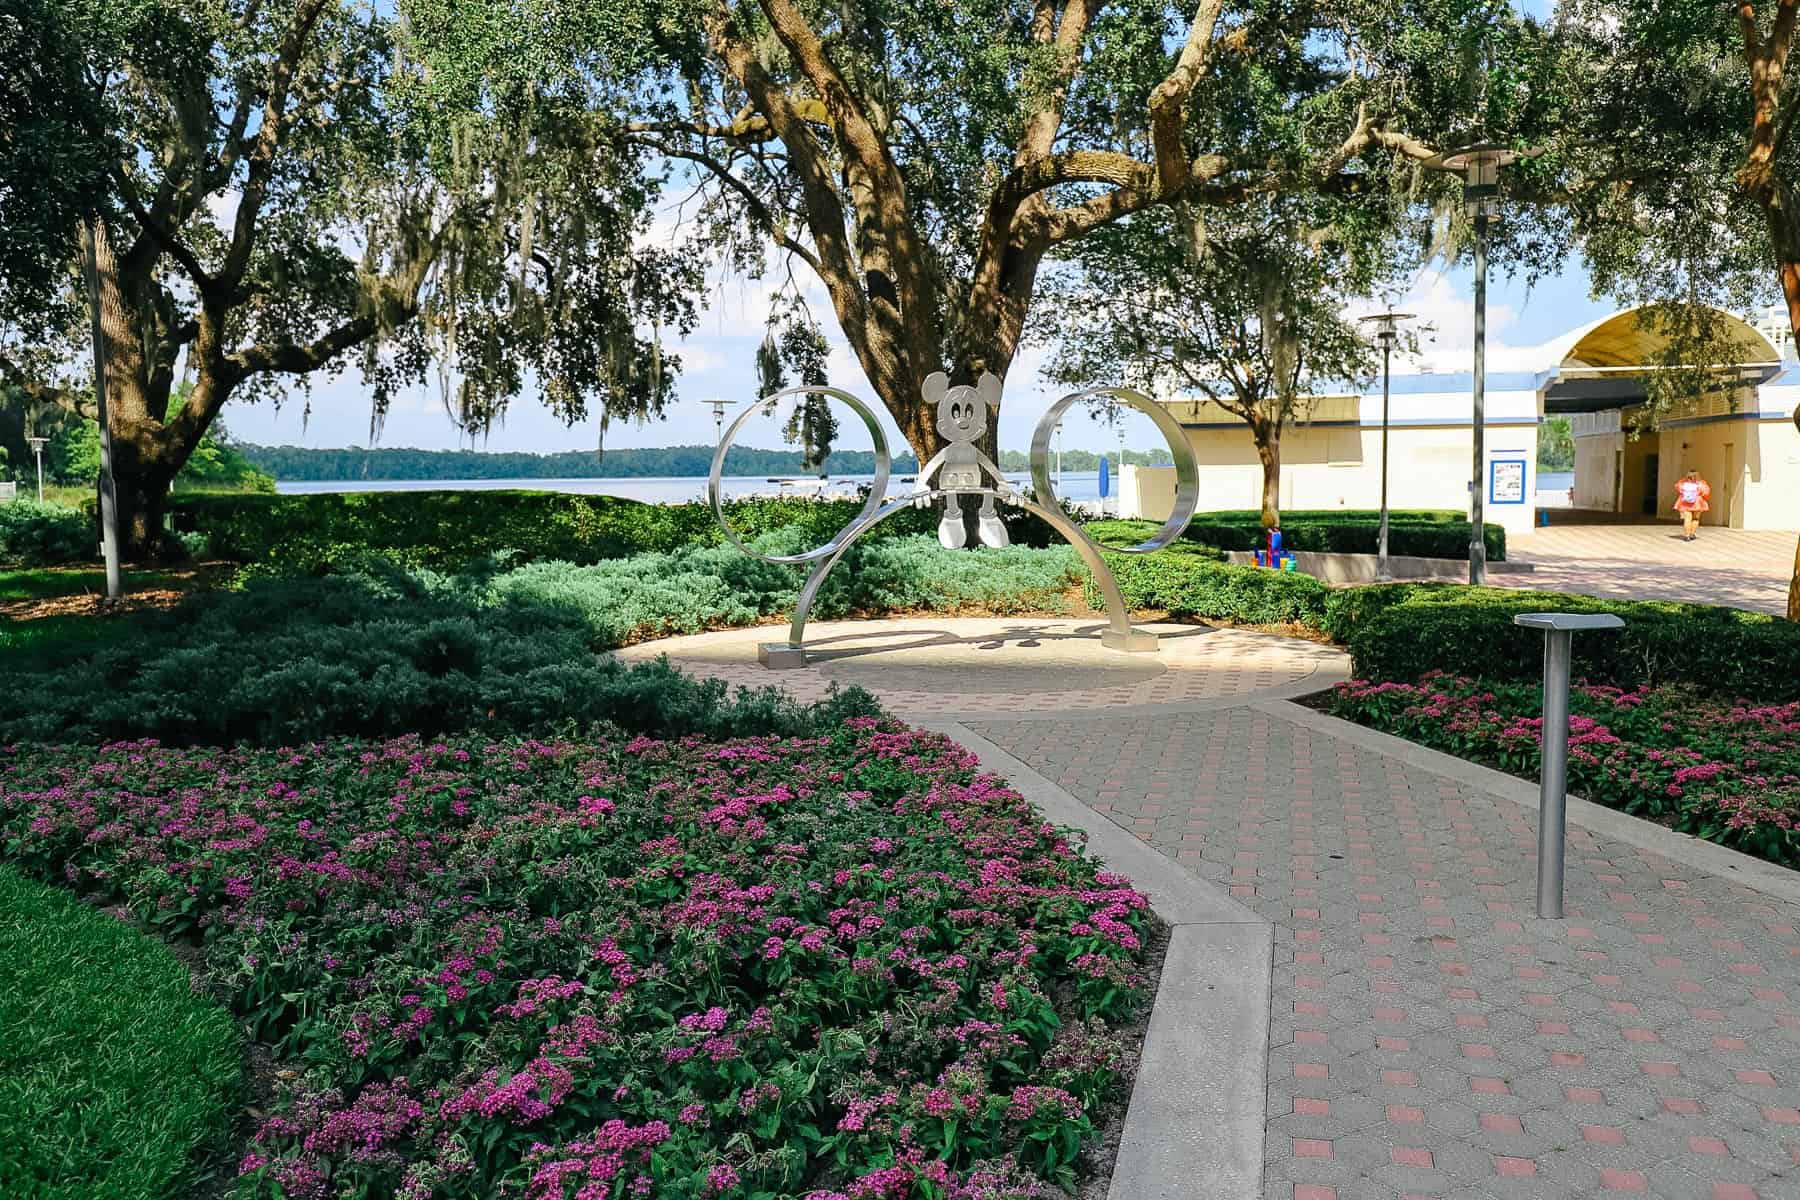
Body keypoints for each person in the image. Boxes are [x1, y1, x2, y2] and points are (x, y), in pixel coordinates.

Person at [1673, 469, 1711, 541]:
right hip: (1697, 503)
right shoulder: (1701, 484)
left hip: (1685, 503)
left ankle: (1687, 536)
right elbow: (1706, 493)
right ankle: (1692, 534)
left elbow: (1677, 488)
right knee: (1695, 519)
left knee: (1687, 519)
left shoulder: (1682, 483)